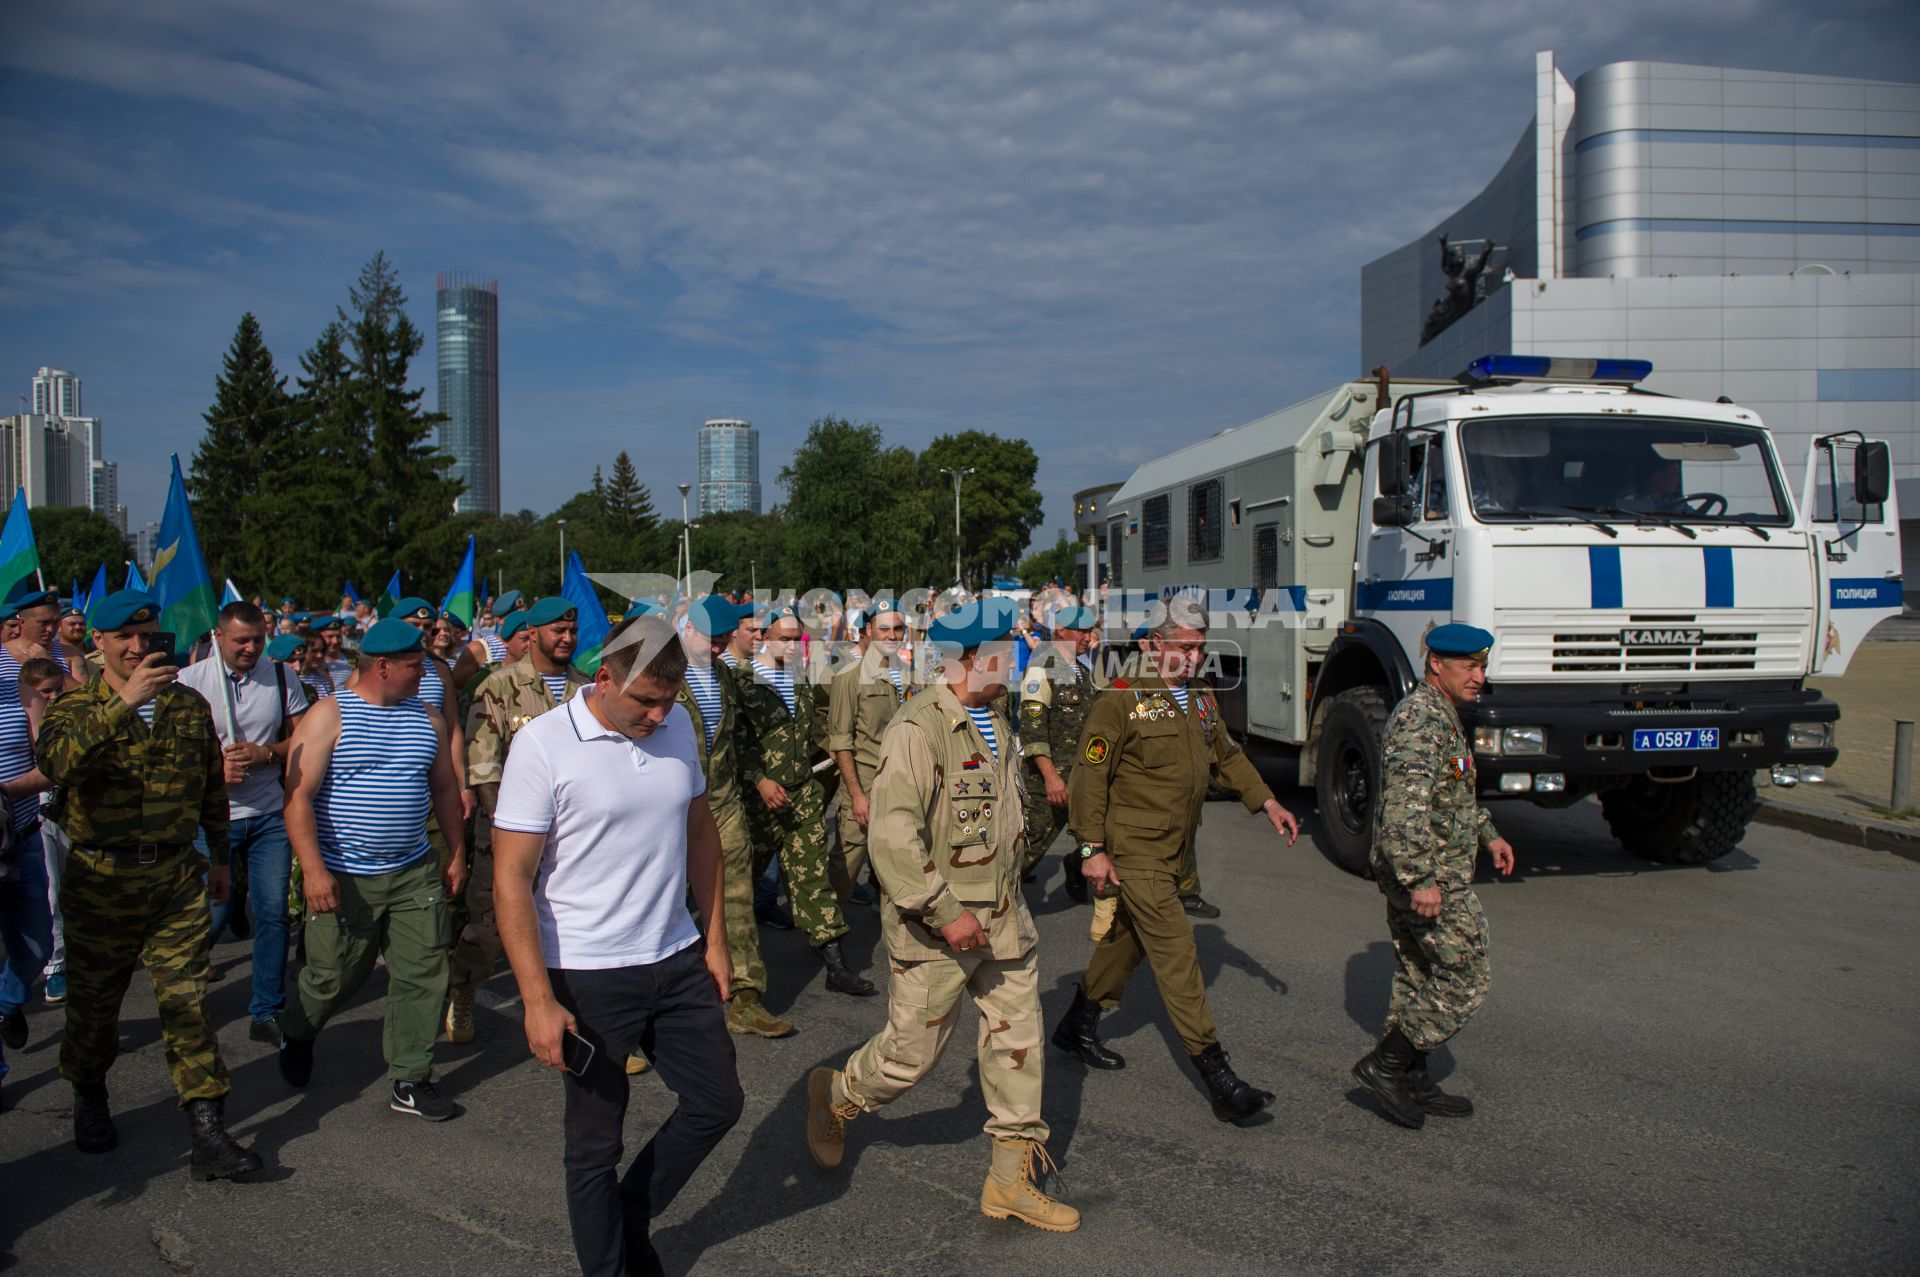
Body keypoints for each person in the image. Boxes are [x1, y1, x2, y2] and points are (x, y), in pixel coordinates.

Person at [806, 597, 1078, 1232]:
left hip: (1004, 919)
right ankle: (838, 1095)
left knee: (1019, 1044)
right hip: (941, 927)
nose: (1018, 660)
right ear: (976, 658)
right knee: (909, 1057)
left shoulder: (996, 717)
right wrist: (943, 909)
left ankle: (1009, 1182)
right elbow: (892, 837)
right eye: (1009, 650)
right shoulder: (918, 727)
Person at [493, 611, 743, 1277]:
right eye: (645, 700)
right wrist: (537, 1000)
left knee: (719, 1102)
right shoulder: (543, 744)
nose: (659, 716)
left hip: (674, 954)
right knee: (594, 1143)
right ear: (604, 677)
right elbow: (512, 878)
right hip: (586, 971)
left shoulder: (680, 724)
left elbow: (701, 832)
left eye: (669, 700)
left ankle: (630, 1212)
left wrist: (715, 938)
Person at [35, 589, 260, 1177]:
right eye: (124, 639)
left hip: (174, 877)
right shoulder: (72, 707)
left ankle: (208, 1129)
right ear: (99, 643)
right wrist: (122, 704)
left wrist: (217, 856)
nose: (138, 648)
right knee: (95, 1005)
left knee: (186, 1004)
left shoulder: (186, 706)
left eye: (148, 636)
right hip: (101, 879)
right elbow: (57, 765)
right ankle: (89, 1093)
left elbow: (212, 785)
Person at [1052, 596, 1302, 1125]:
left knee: (1127, 942)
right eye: (1184, 647)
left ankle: (1078, 1023)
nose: (1193, 657)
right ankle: (1218, 1076)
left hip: (1174, 850)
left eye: (1200, 648)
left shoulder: (1201, 699)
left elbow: (1227, 756)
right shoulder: (1122, 698)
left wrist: (1269, 801)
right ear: (1151, 645)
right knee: (1177, 953)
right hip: (1134, 849)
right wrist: (1092, 850)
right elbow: (1089, 777)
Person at [276, 618, 469, 1121]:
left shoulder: (427, 717)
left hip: (413, 872)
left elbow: (445, 790)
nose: (423, 671)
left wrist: (456, 853)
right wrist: (314, 871)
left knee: (424, 972)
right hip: (344, 875)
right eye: (413, 665)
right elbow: (297, 800)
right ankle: (297, 1028)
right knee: (334, 976)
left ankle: (410, 1078)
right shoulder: (328, 715)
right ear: (382, 666)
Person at [1352, 623, 1516, 1129]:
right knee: (1467, 974)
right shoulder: (1422, 719)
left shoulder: (1443, 713)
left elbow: (1452, 793)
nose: (1479, 678)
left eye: (1482, 667)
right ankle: (1387, 1065)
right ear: (1436, 666)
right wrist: (1421, 878)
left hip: (1432, 866)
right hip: (1429, 873)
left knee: (1419, 973)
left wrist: (1489, 834)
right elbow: (1405, 809)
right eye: (1469, 667)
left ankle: (1411, 1077)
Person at [449, 596, 587, 1046]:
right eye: (556, 632)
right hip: (510, 835)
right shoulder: (499, 686)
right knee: (491, 927)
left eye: (571, 631)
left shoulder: (585, 689)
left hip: (572, 836)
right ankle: (464, 991)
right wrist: (508, 827)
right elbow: (484, 767)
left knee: (571, 926)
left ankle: (588, 1022)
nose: (566, 639)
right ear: (533, 634)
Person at [177, 603, 308, 1038]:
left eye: (258, 640)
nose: (251, 648)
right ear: (218, 637)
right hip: (211, 817)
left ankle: (266, 1010)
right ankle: (184, 999)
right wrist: (214, 765)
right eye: (241, 641)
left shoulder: (281, 676)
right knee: (211, 915)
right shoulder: (190, 682)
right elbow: (171, 753)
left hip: (269, 813)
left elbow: (304, 738)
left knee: (272, 915)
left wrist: (267, 753)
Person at [736, 609, 874, 997]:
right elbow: (734, 744)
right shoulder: (743, 682)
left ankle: (836, 963)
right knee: (741, 884)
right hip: (758, 802)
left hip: (800, 795)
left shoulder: (799, 679)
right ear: (765, 637)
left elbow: (813, 727)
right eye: (784, 639)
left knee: (812, 879)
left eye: (798, 640)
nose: (793, 646)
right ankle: (723, 963)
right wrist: (759, 780)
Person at [677, 596, 790, 1041]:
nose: (719, 648)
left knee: (737, 896)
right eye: (711, 640)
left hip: (720, 799)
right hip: (669, 805)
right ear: (688, 631)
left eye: (724, 640)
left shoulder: (723, 674)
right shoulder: (664, 672)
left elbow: (733, 739)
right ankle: (644, 1014)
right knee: (662, 904)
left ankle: (745, 998)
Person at [826, 598, 912, 907]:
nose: (892, 636)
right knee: (848, 859)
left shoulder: (910, 673)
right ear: (867, 631)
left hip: (905, 782)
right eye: (884, 629)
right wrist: (857, 794)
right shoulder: (849, 676)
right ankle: (827, 925)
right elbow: (841, 741)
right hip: (865, 782)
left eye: (898, 629)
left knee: (905, 853)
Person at [1015, 605, 1099, 896]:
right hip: (1050, 781)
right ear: (1061, 631)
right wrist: (1051, 777)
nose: (1089, 637)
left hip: (1083, 777)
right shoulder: (1042, 666)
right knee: (1027, 850)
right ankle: (985, 898)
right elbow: (1032, 729)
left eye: (1090, 631)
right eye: (1083, 632)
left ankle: (1077, 865)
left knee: (1102, 838)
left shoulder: (1083, 668)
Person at [18, 656, 69, 1009]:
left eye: (57, 690)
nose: (51, 698)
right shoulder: (19, 723)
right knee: (51, 895)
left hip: (71, 816)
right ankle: (56, 966)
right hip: (35, 818)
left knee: (73, 888)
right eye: (44, 692)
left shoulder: (72, 719)